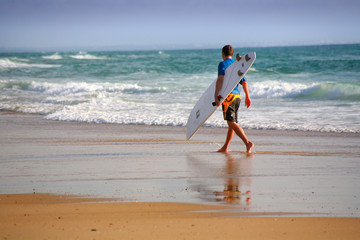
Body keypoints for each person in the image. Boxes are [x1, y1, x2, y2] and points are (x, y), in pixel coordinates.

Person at [214, 45, 254, 153]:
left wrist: (216, 95)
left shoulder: (222, 64)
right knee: (232, 123)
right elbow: (244, 82)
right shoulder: (237, 65)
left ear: (223, 53)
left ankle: (247, 142)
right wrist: (247, 97)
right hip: (237, 97)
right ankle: (225, 147)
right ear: (232, 53)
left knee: (231, 123)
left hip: (229, 97)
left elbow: (220, 79)